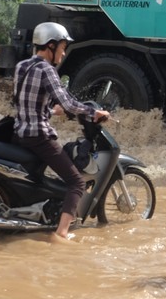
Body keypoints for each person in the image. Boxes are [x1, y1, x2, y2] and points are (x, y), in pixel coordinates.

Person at [9, 22, 109, 239]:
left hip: (20, 134)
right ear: (51, 46)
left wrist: (52, 111)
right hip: (39, 137)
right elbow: (68, 102)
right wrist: (94, 114)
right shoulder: (47, 69)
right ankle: (61, 234)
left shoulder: (22, 66)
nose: (64, 53)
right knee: (77, 183)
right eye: (63, 48)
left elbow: (24, 102)